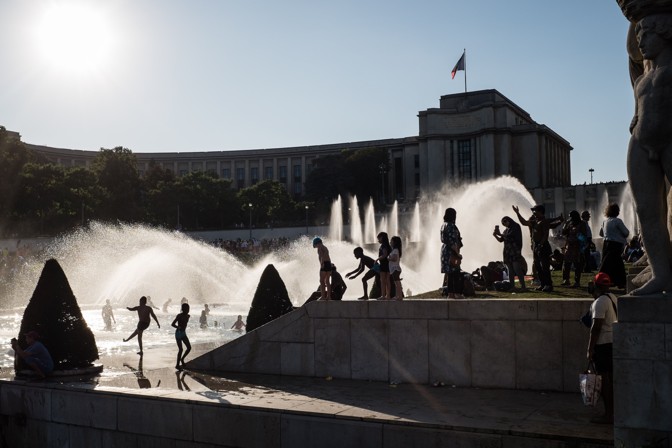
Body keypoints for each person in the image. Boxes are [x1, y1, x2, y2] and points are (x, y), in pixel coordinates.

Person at [626, 14, 672, 295]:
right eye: (639, 37)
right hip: (642, 141)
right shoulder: (644, 77)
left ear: (665, 34)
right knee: (646, 210)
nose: (641, 43)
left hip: (669, 138)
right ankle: (661, 274)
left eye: (647, 36)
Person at [587, 272, 618, 424]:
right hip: (613, 342)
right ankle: (613, 413)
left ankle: (609, 415)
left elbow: (596, 327)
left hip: (603, 344)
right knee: (610, 380)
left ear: (596, 286)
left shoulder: (600, 302)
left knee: (604, 380)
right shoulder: (613, 298)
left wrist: (590, 349)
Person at [513, 204, 563, 292]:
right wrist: (517, 213)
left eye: (535, 211)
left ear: (540, 211)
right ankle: (543, 284)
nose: (534, 213)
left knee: (545, 266)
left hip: (543, 246)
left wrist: (540, 245)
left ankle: (548, 285)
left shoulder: (544, 222)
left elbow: (545, 235)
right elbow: (524, 222)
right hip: (536, 245)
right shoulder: (535, 221)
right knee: (537, 266)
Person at [598, 203, 630, 289]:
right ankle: (619, 282)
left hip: (606, 244)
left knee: (608, 263)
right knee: (617, 263)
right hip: (616, 244)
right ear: (617, 212)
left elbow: (601, 233)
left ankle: (612, 281)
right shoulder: (617, 221)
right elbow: (626, 233)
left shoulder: (605, 221)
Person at [492, 216, 527, 290]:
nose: (504, 224)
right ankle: (512, 286)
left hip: (514, 251)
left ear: (508, 220)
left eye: (505, 222)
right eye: (502, 223)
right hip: (507, 251)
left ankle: (523, 286)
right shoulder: (506, 230)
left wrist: (500, 234)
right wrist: (495, 235)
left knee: (517, 269)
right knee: (510, 270)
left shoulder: (515, 226)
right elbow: (501, 240)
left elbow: (510, 236)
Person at [561, 210, 589, 288]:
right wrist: (566, 224)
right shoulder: (570, 224)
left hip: (577, 246)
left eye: (571, 217)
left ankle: (577, 281)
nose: (570, 218)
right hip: (569, 246)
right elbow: (563, 233)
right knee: (566, 263)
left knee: (577, 264)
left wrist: (578, 238)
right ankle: (566, 279)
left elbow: (584, 235)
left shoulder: (582, 224)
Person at [440, 208, 464, 298]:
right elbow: (452, 242)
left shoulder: (443, 225)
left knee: (450, 274)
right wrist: (458, 254)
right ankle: (457, 294)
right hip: (451, 252)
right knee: (456, 273)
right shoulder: (451, 226)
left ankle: (450, 294)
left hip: (445, 251)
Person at [171, 303, 192, 370]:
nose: (188, 310)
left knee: (189, 347)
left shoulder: (188, 316)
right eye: (186, 309)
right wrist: (178, 327)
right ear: (183, 309)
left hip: (183, 333)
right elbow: (172, 324)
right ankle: (177, 365)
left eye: (188, 309)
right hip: (178, 333)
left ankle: (182, 359)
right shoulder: (179, 316)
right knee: (181, 349)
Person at [374, 232, 392, 300]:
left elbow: (384, 254)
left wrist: (377, 259)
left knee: (383, 280)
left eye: (379, 238)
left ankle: (383, 295)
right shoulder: (388, 245)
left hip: (384, 264)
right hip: (388, 264)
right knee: (388, 280)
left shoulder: (383, 246)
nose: (378, 240)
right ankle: (388, 295)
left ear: (382, 238)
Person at [389, 236, 403, 300]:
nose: (390, 242)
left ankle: (399, 296)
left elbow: (394, 259)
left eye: (391, 241)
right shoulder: (395, 250)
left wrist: (389, 258)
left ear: (394, 242)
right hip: (395, 268)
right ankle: (397, 296)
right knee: (397, 283)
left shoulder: (395, 250)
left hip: (395, 268)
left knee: (397, 283)